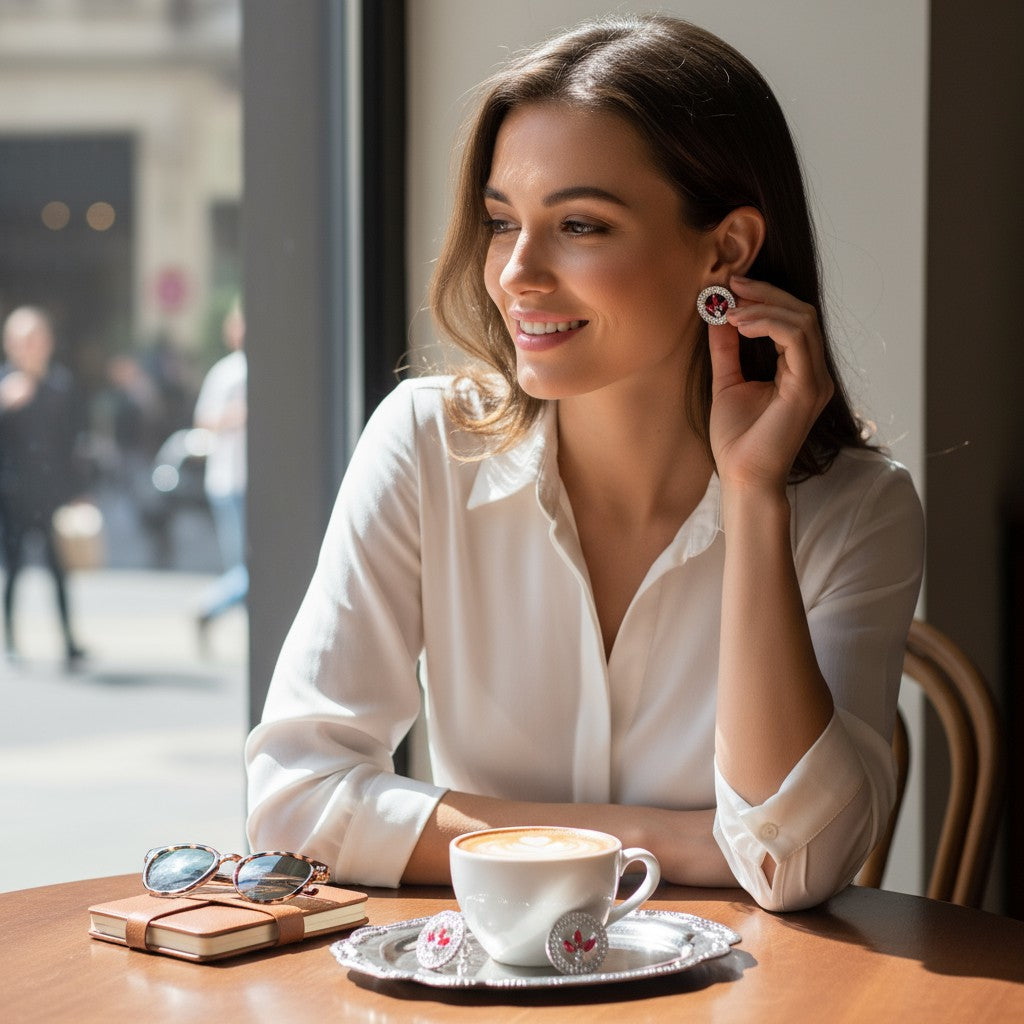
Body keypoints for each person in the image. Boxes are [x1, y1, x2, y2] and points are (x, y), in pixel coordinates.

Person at [245, 14, 924, 912]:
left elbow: (792, 867)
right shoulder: (424, 444)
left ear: (724, 250)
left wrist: (757, 498)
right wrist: (665, 842)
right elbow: (293, 807)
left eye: (579, 224)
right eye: (500, 221)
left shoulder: (859, 510)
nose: (516, 273)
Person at [0, 306, 88, 665]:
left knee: (59, 569)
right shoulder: (5, 385)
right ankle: (10, 640)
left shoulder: (61, 386)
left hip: (52, 494)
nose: (29, 346)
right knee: (15, 568)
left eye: (35, 338)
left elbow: (75, 444)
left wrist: (81, 492)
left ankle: (68, 641)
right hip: (13, 496)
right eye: (21, 340)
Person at [194, 300, 248, 644]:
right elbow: (204, 421)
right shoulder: (227, 372)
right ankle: (208, 607)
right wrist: (237, 415)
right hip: (230, 482)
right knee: (249, 570)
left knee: (249, 569)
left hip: (254, 484)